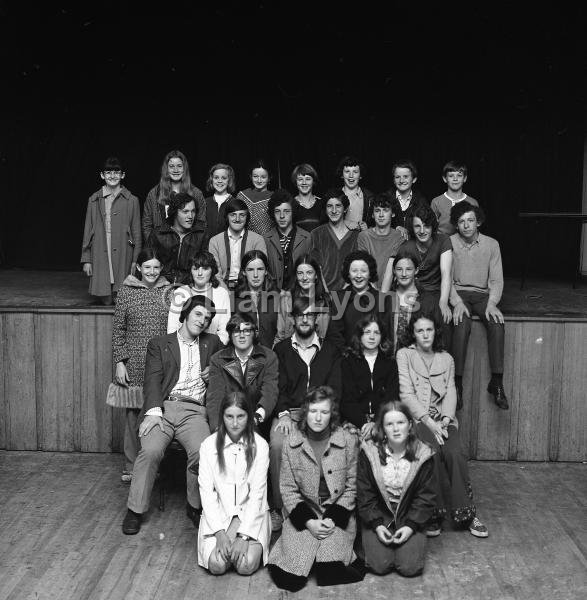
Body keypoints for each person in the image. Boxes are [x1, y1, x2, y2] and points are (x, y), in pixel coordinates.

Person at [121, 295, 223, 535]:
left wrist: (214, 374)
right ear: (186, 313)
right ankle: (135, 510)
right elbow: (152, 380)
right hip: (163, 408)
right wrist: (154, 411)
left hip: (195, 411)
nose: (202, 321)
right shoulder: (159, 343)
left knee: (202, 451)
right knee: (151, 450)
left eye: (207, 318)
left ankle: (195, 506)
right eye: (198, 314)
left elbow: (224, 379)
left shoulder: (214, 343)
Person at [396, 310, 489, 539]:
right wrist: (429, 423)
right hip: (418, 421)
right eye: (420, 330)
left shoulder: (447, 358)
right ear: (413, 334)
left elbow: (451, 392)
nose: (425, 335)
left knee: (455, 454)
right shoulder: (404, 355)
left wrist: (445, 421)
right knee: (433, 453)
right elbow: (406, 394)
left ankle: (466, 513)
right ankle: (434, 514)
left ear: (435, 331)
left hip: (444, 421)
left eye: (429, 329)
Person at [267, 386, 365, 591]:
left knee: (331, 570)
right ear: (305, 412)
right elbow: (288, 488)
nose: (318, 418)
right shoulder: (291, 442)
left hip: (336, 511)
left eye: (324, 412)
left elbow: (352, 487)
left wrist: (332, 518)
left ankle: (333, 550)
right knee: (289, 577)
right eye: (313, 411)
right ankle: (294, 549)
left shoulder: (347, 440)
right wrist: (309, 522)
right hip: (306, 509)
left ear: (332, 414)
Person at [271, 297, 342, 529]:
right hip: (289, 413)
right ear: (292, 319)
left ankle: (324, 507)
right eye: (299, 314)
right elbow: (276, 387)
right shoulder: (281, 350)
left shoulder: (330, 350)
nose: (304, 319)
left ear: (316, 320)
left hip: (320, 413)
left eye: (309, 315)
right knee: (279, 444)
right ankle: (279, 509)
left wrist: (319, 416)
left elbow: (335, 389)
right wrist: (282, 414)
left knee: (335, 445)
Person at [357, 401, 436, 577]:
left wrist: (410, 526)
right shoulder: (369, 452)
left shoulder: (423, 454)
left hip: (409, 514)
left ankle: (408, 542)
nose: (396, 429)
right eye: (389, 424)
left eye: (400, 422)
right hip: (378, 514)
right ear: (383, 429)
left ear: (409, 424)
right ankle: (374, 542)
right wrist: (377, 525)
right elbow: (364, 494)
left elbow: (426, 497)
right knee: (380, 566)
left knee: (409, 568)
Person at [112, 248, 171, 482]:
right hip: (133, 363)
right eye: (147, 267)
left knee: (157, 414)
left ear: (162, 269)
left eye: (156, 267)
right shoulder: (126, 291)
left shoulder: (170, 291)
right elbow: (118, 329)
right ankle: (130, 466)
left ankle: (154, 467)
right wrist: (119, 362)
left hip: (161, 363)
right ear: (138, 267)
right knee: (133, 416)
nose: (152, 272)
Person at [197, 392, 271, 575]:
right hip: (220, 514)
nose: (235, 423)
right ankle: (223, 536)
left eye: (241, 416)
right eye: (229, 416)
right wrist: (220, 533)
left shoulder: (260, 446)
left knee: (245, 565)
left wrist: (244, 535)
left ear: (249, 416)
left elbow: (257, 494)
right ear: (222, 416)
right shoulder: (208, 445)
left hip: (251, 514)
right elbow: (207, 493)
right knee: (217, 565)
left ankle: (247, 538)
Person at [449, 201, 507, 409]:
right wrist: (455, 302)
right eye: (461, 221)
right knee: (461, 324)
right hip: (459, 293)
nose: (466, 225)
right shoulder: (449, 243)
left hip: (483, 295)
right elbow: (445, 279)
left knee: (497, 323)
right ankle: (457, 385)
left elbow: (497, 280)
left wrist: (492, 304)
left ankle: (497, 382)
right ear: (456, 225)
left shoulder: (492, 244)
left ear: (478, 222)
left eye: (470, 220)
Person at [81, 156, 141, 305]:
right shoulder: (94, 199)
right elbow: (88, 230)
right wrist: (86, 259)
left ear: (123, 175)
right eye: (108, 172)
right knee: (106, 299)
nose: (112, 176)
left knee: (120, 296)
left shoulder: (132, 200)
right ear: (102, 175)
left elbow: (137, 233)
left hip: (123, 247)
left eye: (116, 172)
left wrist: (135, 260)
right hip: (101, 246)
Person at [207, 312, 279, 433]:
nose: (241, 335)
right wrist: (217, 428)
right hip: (227, 421)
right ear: (230, 334)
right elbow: (215, 397)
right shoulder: (217, 359)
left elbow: (270, 392)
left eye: (246, 331)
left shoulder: (269, 357)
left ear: (254, 333)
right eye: (236, 331)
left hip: (258, 422)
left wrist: (256, 418)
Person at [392, 204, 453, 345]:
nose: (422, 230)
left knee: (442, 317)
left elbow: (446, 273)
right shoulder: (407, 246)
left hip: (436, 291)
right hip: (413, 291)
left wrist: (443, 302)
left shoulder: (443, 241)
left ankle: (442, 360)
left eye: (426, 226)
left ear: (432, 226)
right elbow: (398, 272)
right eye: (417, 226)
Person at [340, 314, 400, 438]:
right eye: (367, 332)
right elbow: (347, 400)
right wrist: (363, 423)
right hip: (355, 420)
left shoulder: (390, 362)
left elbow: (392, 396)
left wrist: (376, 422)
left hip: (383, 419)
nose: (372, 337)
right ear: (360, 335)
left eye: (376, 333)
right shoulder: (347, 361)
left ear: (382, 336)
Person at [326, 250, 393, 351]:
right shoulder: (338, 298)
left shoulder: (383, 299)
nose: (358, 275)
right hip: (345, 359)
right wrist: (348, 356)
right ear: (348, 274)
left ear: (370, 273)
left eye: (363, 271)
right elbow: (334, 334)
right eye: (354, 271)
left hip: (374, 358)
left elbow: (386, 335)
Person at [167, 251, 230, 344]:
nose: (200, 273)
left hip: (211, 350)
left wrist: (213, 351)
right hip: (182, 348)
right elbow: (172, 328)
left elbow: (225, 331)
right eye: (195, 268)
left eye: (205, 269)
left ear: (212, 270)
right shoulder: (180, 292)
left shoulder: (221, 294)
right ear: (190, 270)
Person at [142, 149, 206, 240]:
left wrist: (192, 246)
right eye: (171, 166)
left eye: (179, 166)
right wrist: (154, 248)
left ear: (185, 168)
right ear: (166, 169)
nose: (175, 170)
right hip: (161, 249)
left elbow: (201, 223)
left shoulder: (196, 193)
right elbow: (147, 225)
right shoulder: (154, 194)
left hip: (187, 248)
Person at [146, 192, 208, 284]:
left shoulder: (201, 234)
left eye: (193, 211)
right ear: (174, 212)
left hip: (191, 285)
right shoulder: (157, 234)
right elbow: (147, 263)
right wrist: (159, 279)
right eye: (185, 211)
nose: (190, 216)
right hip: (161, 284)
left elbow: (206, 265)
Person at [208, 197, 267, 289]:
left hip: (249, 286)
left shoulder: (257, 240)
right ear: (227, 217)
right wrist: (223, 290)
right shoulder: (215, 241)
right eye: (233, 215)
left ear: (247, 217)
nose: (237, 219)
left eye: (242, 215)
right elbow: (215, 272)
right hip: (222, 285)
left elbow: (259, 270)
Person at [275, 254, 331, 342]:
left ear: (316, 275)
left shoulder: (324, 301)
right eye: (300, 273)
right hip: (289, 351)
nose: (304, 278)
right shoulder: (286, 299)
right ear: (296, 276)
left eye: (309, 273)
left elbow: (326, 338)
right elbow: (280, 336)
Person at [310, 189, 359, 291]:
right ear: (325, 209)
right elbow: (316, 268)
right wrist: (327, 295)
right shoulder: (316, 234)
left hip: (350, 296)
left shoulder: (356, 236)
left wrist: (343, 295)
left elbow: (358, 270)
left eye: (338, 206)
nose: (333, 210)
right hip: (324, 296)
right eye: (329, 206)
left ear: (345, 209)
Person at [265, 188, 312, 291]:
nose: (282, 216)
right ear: (272, 213)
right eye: (277, 212)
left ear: (293, 212)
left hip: (300, 293)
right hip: (274, 294)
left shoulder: (306, 237)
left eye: (286, 211)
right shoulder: (266, 239)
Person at [233, 250, 280, 348]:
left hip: (273, 355)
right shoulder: (234, 299)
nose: (255, 275)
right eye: (250, 270)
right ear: (244, 272)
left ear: (266, 271)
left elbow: (283, 332)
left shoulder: (278, 297)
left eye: (260, 269)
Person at [357, 192, 405, 286]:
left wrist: (382, 297)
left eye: (386, 210)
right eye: (377, 211)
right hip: (367, 290)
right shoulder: (364, 236)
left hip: (391, 291)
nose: (381, 215)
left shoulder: (399, 237)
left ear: (393, 213)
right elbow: (364, 268)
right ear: (372, 214)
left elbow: (392, 272)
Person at [383, 251, 421, 353]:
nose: (404, 274)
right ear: (394, 271)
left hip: (416, 360)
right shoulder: (387, 300)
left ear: (416, 270)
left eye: (408, 269)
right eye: (399, 269)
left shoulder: (425, 300)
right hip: (389, 360)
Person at [430, 161, 479, 236]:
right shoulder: (436, 201)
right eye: (451, 176)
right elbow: (431, 227)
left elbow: (475, 227)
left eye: (459, 175)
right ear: (445, 179)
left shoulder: (472, 202)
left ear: (465, 178)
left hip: (465, 244)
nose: (455, 179)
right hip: (442, 243)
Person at [389, 160, 428, 240]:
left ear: (414, 179)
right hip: (389, 245)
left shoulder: (421, 201)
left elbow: (425, 226)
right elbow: (376, 224)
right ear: (393, 180)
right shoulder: (386, 198)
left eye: (405, 177)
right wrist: (395, 228)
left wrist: (409, 232)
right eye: (397, 177)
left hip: (414, 246)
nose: (401, 181)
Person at [336, 155, 374, 231]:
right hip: (339, 240)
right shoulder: (334, 196)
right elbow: (325, 222)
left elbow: (377, 223)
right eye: (347, 172)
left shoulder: (370, 197)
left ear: (360, 175)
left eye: (355, 172)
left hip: (361, 240)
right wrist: (345, 222)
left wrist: (368, 227)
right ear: (342, 175)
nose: (351, 176)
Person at [236, 159, 274, 236]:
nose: (259, 180)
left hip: (268, 242)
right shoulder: (242, 196)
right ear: (251, 177)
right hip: (244, 241)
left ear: (269, 178)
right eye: (255, 176)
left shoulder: (274, 198)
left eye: (263, 177)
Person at [205, 163, 236, 237]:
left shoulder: (234, 203)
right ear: (211, 180)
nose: (219, 181)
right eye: (216, 177)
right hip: (207, 246)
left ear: (229, 180)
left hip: (228, 246)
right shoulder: (205, 202)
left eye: (224, 178)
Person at [291, 163, 324, 232]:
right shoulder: (290, 204)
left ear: (313, 181)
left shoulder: (322, 203)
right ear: (295, 181)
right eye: (300, 179)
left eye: (308, 179)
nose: (304, 183)